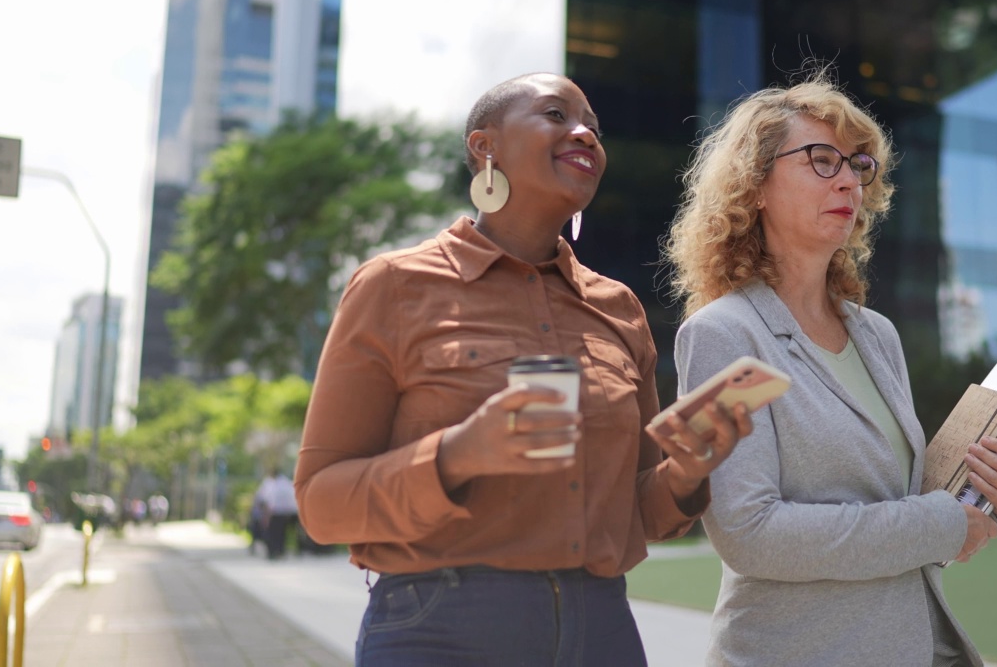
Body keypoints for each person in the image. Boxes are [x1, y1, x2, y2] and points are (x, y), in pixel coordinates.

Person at [294, 72, 752, 666]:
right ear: (485, 147)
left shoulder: (618, 308)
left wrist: (688, 473)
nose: (585, 133)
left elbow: (641, 513)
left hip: (602, 631)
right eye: (556, 115)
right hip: (441, 628)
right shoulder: (394, 286)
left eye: (594, 125)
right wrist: (458, 454)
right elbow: (320, 503)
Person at [663, 70, 997, 667]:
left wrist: (994, 495)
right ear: (755, 185)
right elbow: (750, 533)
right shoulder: (720, 336)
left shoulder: (876, 335)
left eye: (859, 165)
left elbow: (910, 497)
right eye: (822, 159)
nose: (849, 178)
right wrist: (942, 525)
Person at [255, 469, 299, 560]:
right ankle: (280, 551)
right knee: (281, 533)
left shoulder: (271, 484)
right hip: (285, 513)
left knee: (272, 533)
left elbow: (264, 498)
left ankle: (273, 551)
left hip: (274, 512)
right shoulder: (285, 483)